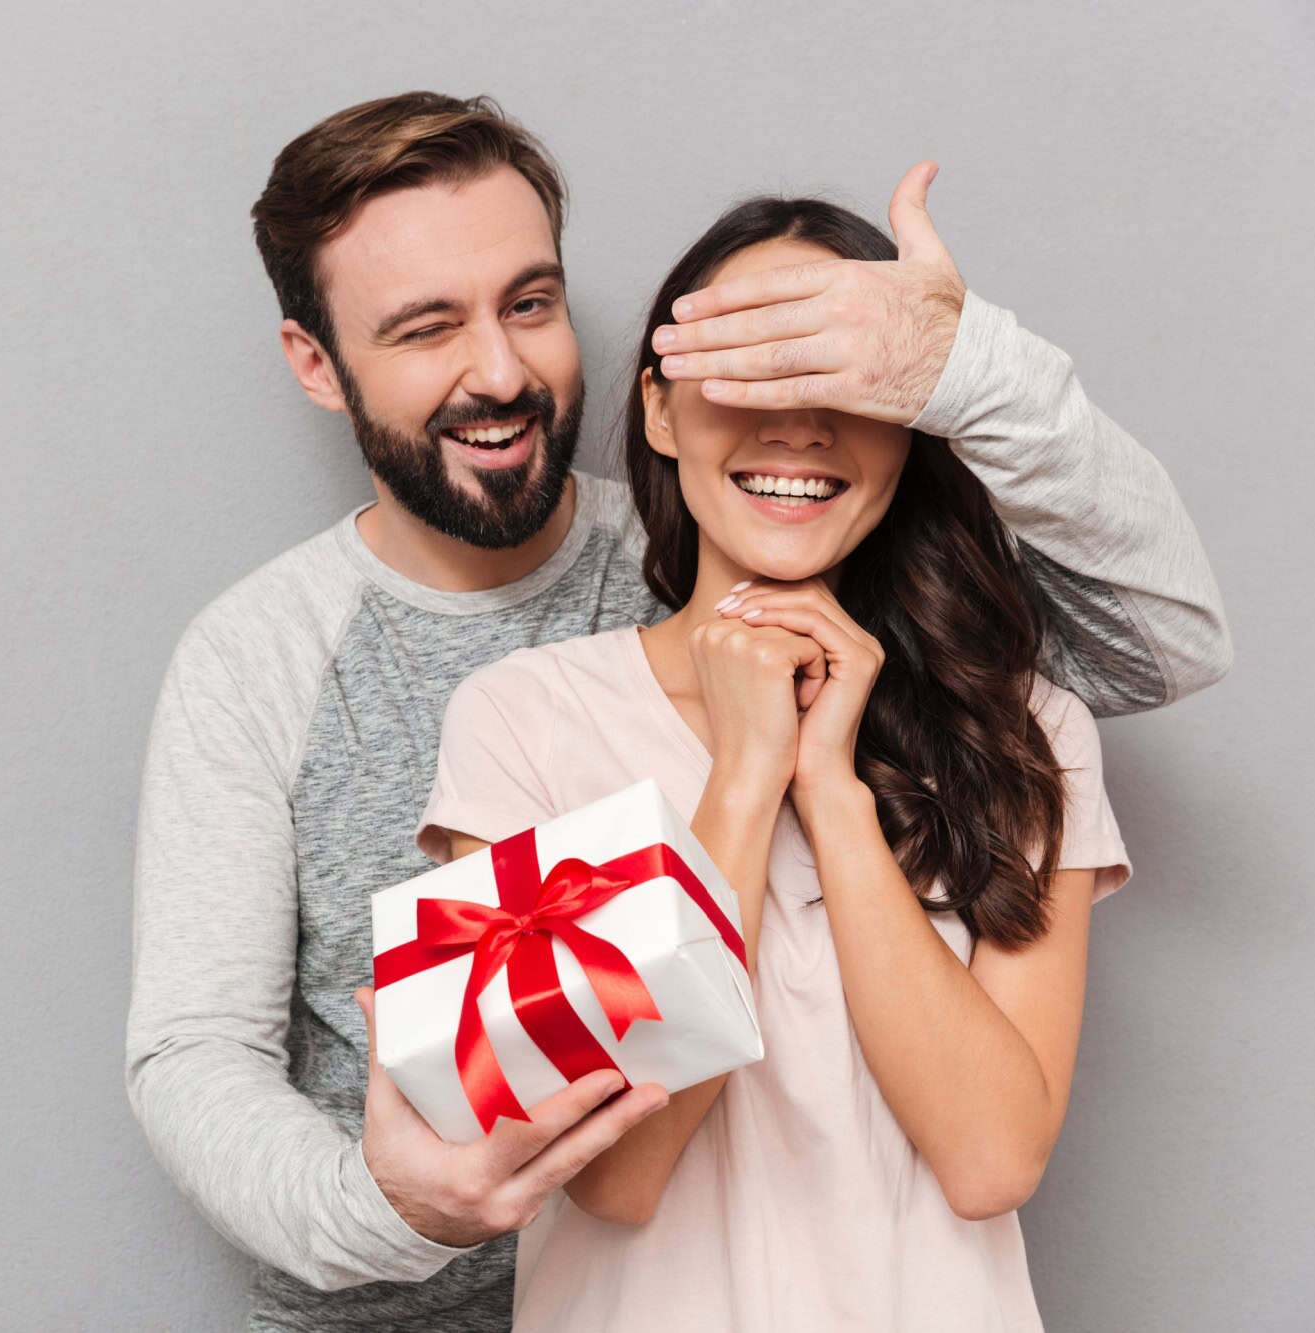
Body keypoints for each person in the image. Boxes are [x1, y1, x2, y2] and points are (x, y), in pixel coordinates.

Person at [125, 91, 1229, 1332]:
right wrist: (405, 1209)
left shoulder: (826, 584)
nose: (497, 369)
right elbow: (202, 1056)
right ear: (317, 361)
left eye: (528, 304)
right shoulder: (379, 682)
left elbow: (1158, 640)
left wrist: (963, 366)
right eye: (426, 326)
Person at [415, 196, 1142, 1331]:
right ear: (656, 409)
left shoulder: (1030, 731)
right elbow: (611, 1175)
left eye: (843, 385)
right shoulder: (516, 722)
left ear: (908, 424)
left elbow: (992, 1159)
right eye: (747, 374)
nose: (799, 427)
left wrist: (831, 789)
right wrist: (743, 783)